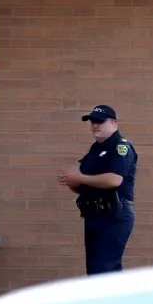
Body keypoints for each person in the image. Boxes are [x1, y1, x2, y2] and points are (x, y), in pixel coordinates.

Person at [57, 105, 138, 275]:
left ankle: (114, 302)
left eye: (100, 121)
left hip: (114, 213)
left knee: (105, 268)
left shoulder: (120, 147)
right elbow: (86, 185)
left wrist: (79, 178)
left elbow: (114, 180)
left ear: (114, 122)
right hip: (94, 213)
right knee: (95, 270)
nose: (95, 125)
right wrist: (72, 181)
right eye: (92, 121)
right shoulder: (94, 151)